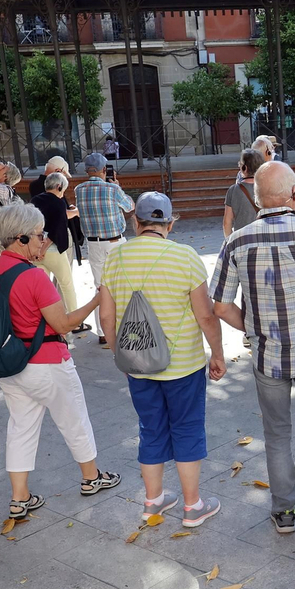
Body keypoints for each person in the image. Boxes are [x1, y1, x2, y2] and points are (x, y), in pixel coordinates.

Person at [209, 161, 295, 544]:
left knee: (277, 435)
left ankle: (284, 512)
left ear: (255, 199)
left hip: (268, 356)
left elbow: (219, 305)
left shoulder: (238, 241)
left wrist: (253, 327)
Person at [0, 203, 121, 521]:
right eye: (37, 234)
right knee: (73, 418)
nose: (43, 240)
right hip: (46, 361)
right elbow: (62, 324)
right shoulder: (33, 277)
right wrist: (96, 299)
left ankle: (19, 498)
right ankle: (91, 477)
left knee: (20, 427)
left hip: (9, 362)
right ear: (20, 238)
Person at [98, 192, 226, 527]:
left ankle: (153, 501)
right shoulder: (185, 256)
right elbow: (206, 316)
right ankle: (192, 506)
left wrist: (119, 355)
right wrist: (218, 352)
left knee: (150, 429)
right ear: (170, 223)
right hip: (183, 364)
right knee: (186, 427)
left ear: (135, 222)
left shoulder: (115, 257)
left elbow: (107, 318)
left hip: (137, 364)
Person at [75, 153, 135, 344]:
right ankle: (123, 327)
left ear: (87, 171)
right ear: (104, 170)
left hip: (93, 243)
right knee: (123, 284)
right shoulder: (111, 189)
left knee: (100, 286)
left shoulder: (79, 189)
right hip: (115, 242)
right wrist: (118, 187)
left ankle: (102, 332)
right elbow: (129, 206)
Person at [30, 172, 84, 328]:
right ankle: (75, 321)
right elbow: (55, 230)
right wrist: (43, 249)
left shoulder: (35, 200)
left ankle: (44, 322)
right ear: (59, 187)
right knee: (66, 285)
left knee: (42, 290)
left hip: (36, 250)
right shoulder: (58, 203)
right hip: (52, 251)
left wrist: (37, 250)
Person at [224, 148, 263, 238]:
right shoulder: (268, 187)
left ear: (244, 168)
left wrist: (229, 242)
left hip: (241, 240)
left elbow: (227, 222)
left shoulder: (233, 190)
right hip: (263, 239)